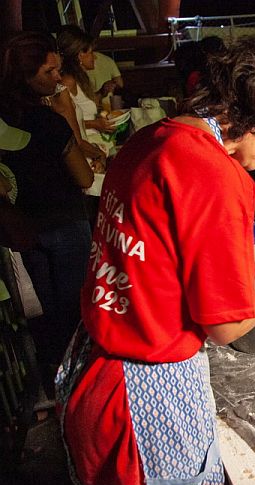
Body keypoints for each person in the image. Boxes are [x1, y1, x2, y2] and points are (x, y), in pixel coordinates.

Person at [56, 33, 255, 485]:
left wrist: (235, 255)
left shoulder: (151, 139)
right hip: (149, 398)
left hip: (95, 378)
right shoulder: (215, 174)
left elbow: (154, 248)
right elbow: (227, 326)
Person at [0, 32, 94, 379]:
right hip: (65, 223)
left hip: (24, 228)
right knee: (74, 310)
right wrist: (65, 114)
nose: (58, 78)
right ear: (25, 77)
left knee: (47, 310)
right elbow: (84, 178)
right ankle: (80, 378)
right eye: (48, 73)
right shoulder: (50, 123)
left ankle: (55, 373)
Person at [56, 25, 115, 145]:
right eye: (91, 52)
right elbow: (65, 122)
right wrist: (95, 124)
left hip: (94, 141)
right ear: (79, 55)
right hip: (87, 145)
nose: (94, 57)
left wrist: (101, 92)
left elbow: (83, 105)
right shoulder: (68, 82)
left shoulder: (80, 78)